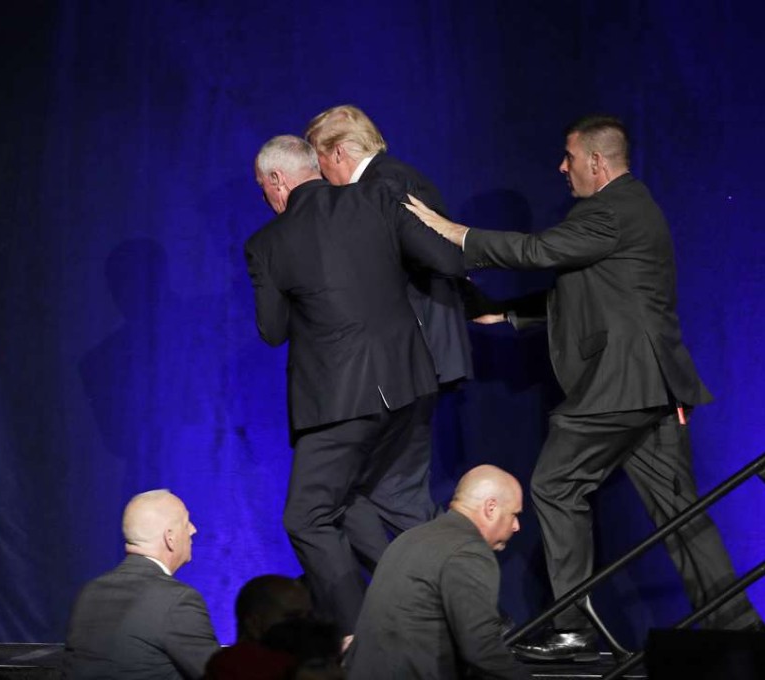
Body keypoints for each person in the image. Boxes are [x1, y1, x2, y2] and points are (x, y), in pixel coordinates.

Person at [404, 115, 761, 661]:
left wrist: (457, 234)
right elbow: (587, 300)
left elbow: (537, 252)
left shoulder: (613, 210)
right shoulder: (624, 213)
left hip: (622, 385)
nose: (562, 167)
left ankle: (572, 626)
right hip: (650, 387)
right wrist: (506, 315)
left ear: (597, 161)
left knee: (555, 483)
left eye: (569, 157)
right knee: (680, 511)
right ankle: (738, 631)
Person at [245, 135, 463, 633]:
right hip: (410, 385)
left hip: (339, 402)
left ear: (278, 180)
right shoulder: (379, 198)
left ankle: (360, 638)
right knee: (351, 501)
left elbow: (272, 331)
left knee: (306, 518)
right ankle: (423, 611)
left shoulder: (267, 244)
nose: (266, 199)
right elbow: (449, 260)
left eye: (263, 188)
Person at [305, 104, 472, 386]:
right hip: (419, 338)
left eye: (319, 161)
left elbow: (437, 254)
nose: (320, 175)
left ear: (337, 152)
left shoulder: (382, 183)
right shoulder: (390, 175)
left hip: (420, 337)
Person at [346, 465, 532, 679]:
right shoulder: (469, 551)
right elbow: (482, 649)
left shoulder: (409, 538)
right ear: (490, 508)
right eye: (514, 514)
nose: (516, 526)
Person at [63, 489, 220, 680]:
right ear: (170, 537)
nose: (193, 529)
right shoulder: (177, 602)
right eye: (186, 523)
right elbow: (221, 675)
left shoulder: (89, 593)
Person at [205, 575, 313, 680]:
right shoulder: (232, 667)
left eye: (309, 617)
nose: (305, 625)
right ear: (253, 623)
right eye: (292, 617)